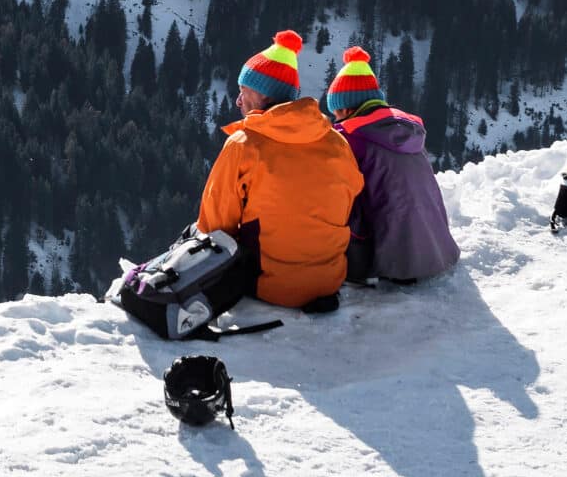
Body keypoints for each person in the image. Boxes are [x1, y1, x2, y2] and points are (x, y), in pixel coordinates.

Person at [195, 30, 364, 310]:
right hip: (330, 281)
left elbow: (215, 227)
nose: (238, 101)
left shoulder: (243, 144)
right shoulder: (337, 141)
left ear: (262, 94)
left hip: (270, 286)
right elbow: (350, 199)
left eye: (243, 91)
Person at [327, 46, 460, 283]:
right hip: (439, 251)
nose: (335, 120)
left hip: (398, 263)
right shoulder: (408, 131)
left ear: (346, 109)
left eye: (336, 114)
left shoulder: (352, 137)